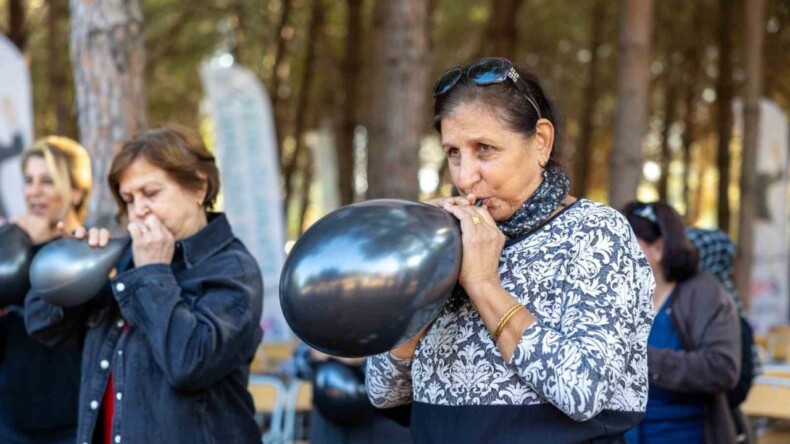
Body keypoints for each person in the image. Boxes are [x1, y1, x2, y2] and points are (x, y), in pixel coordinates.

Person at [366, 57, 655, 443]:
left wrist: (483, 284)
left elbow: (583, 391)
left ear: (541, 141)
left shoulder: (595, 232)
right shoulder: (447, 237)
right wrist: (423, 286)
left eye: (484, 149)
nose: (465, 176)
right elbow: (382, 393)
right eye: (453, 152)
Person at [25, 126, 264, 444]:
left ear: (198, 186)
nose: (138, 210)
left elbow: (189, 363)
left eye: (150, 193)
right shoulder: (123, 260)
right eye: (129, 198)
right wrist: (70, 271)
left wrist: (152, 271)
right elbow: (42, 326)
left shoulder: (233, 269)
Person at [622, 201, 741, 444]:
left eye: (626, 244)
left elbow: (722, 368)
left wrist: (638, 359)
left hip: (684, 434)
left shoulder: (704, 293)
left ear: (659, 249)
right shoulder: (621, 295)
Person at [0, 137, 91, 443]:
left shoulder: (91, 251)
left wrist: (44, 248)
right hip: (10, 419)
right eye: (29, 180)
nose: (35, 191)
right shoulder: (11, 246)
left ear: (76, 190)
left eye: (48, 180)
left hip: (71, 421)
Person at [293, 344, 412, 444]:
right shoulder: (324, 322)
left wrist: (364, 359)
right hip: (331, 420)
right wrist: (313, 354)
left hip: (387, 420)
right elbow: (297, 366)